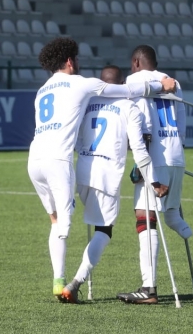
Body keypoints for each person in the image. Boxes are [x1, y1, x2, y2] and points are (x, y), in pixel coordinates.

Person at [27, 38, 177, 302]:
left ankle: (58, 279)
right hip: (88, 169)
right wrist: (159, 86)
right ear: (70, 61)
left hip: (45, 161)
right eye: (77, 59)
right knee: (97, 229)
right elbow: (131, 95)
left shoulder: (43, 91)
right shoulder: (87, 86)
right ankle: (73, 283)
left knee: (56, 222)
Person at [60, 65, 169, 304]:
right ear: (122, 84)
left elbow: (76, 139)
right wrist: (154, 181)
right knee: (104, 231)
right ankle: (75, 283)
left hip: (83, 171)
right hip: (107, 174)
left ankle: (73, 281)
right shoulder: (129, 107)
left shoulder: (87, 103)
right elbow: (139, 148)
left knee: (98, 227)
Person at [117, 45, 193, 305]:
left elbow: (143, 125)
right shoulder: (174, 82)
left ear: (136, 62)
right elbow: (181, 121)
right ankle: (182, 227)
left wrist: (143, 163)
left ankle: (148, 289)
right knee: (170, 211)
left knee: (145, 217)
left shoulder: (134, 81)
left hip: (155, 158)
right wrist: (177, 149)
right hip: (176, 157)